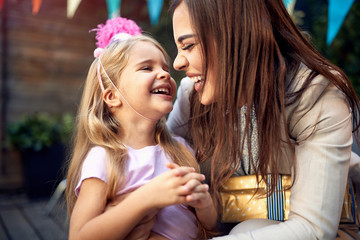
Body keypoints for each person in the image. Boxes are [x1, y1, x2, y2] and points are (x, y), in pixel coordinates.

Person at [167, 0, 360, 239]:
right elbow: (153, 161)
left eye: (189, 45)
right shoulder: (191, 96)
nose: (177, 62)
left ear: (235, 35)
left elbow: (313, 228)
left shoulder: (315, 94)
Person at [65, 17, 217, 240]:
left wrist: (204, 205)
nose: (165, 73)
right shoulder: (105, 158)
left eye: (165, 68)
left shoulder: (182, 149)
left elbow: (210, 225)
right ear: (112, 96)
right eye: (147, 68)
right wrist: (147, 197)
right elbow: (79, 236)